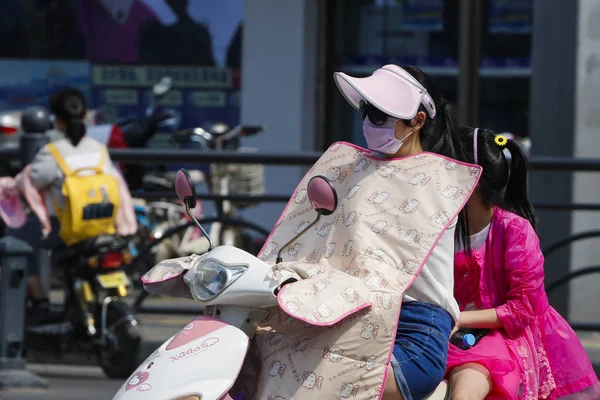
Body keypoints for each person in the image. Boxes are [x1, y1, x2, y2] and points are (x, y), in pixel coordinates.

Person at [334, 64, 466, 399]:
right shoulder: (352, 172)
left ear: (417, 121)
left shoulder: (436, 183)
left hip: (414, 330)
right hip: (345, 315)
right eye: (366, 111)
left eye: (380, 115)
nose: (368, 123)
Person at [446, 126, 600, 399]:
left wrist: (457, 319)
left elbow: (522, 309)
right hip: (454, 331)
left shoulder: (514, 230)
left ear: (473, 179)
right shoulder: (442, 227)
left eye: (448, 166)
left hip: (505, 336)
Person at [6, 88, 123, 326]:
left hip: (67, 230)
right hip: (103, 226)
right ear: (86, 113)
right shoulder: (99, 150)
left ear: (55, 119)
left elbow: (30, 181)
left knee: (13, 237)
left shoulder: (52, 152)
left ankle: (39, 301)